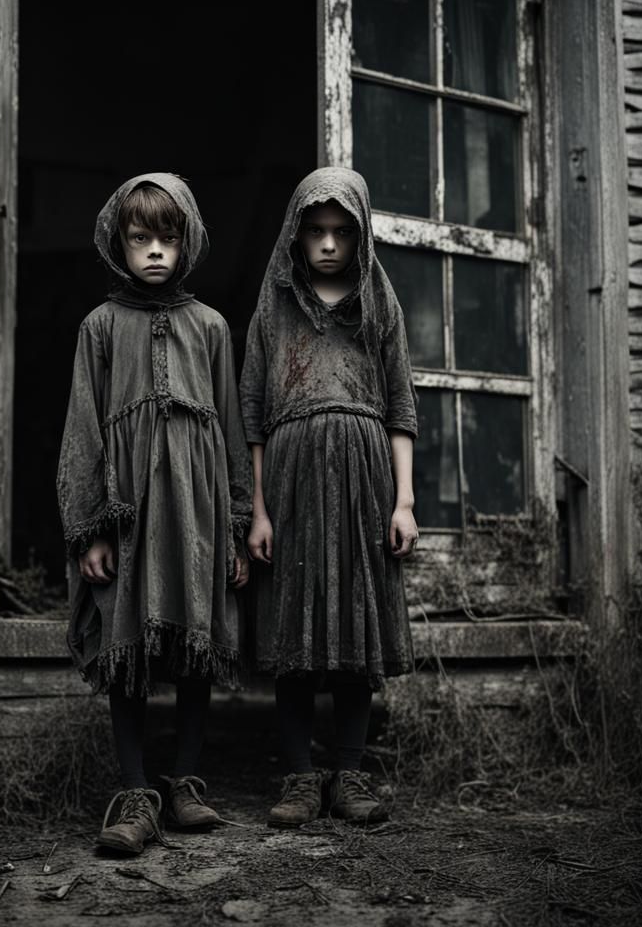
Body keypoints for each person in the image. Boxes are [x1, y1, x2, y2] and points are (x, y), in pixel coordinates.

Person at [58, 173, 251, 854]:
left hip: (196, 517)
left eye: (168, 238)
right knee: (128, 650)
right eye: (141, 239)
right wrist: (88, 531)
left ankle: (186, 781)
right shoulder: (100, 328)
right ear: (119, 244)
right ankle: (135, 791)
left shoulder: (213, 328)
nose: (156, 252)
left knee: (195, 646)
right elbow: (83, 428)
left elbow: (229, 427)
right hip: (130, 517)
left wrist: (234, 525)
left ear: (188, 240)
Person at [239, 167, 418, 827]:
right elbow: (252, 410)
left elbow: (401, 406)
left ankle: (347, 772)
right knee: (295, 634)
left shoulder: (381, 306)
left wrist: (404, 501)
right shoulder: (275, 308)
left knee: (352, 633)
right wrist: (256, 510)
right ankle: (298, 779)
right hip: (289, 485)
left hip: (365, 486)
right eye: (315, 231)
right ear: (296, 234)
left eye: (343, 232)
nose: (328, 244)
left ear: (361, 236)